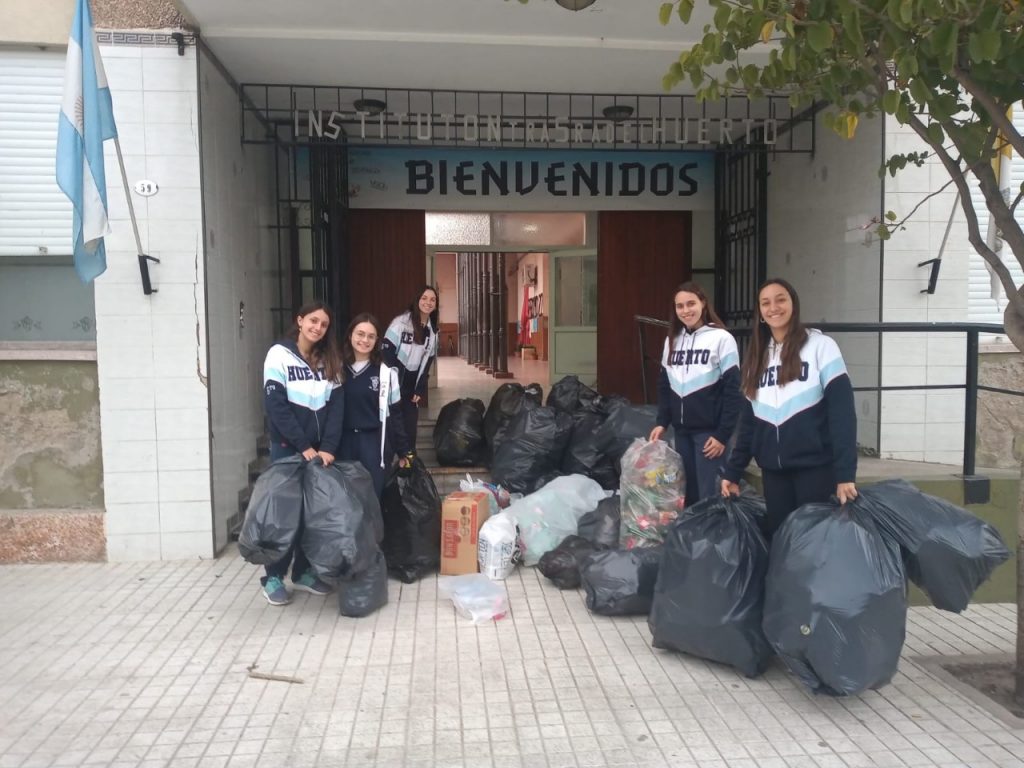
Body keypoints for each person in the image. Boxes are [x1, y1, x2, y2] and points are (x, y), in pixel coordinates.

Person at [720, 278, 858, 537]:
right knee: (782, 545)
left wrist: (845, 473)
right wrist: (733, 471)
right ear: (759, 313)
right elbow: (749, 423)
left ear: (793, 304)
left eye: (780, 299)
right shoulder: (756, 358)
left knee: (815, 547)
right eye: (765, 302)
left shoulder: (821, 346)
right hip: (774, 474)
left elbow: (842, 414)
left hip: (816, 470)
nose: (774, 307)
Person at [261, 301, 345, 606]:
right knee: (283, 516)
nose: (317, 328)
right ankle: (273, 576)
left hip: (319, 455)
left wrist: (328, 449)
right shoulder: (279, 355)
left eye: (323, 324)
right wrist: (304, 446)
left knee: (311, 516)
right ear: (299, 321)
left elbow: (336, 409)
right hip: (287, 451)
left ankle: (303, 572)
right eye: (313, 321)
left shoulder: (329, 361)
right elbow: (276, 407)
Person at [648, 281, 743, 506]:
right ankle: (692, 540)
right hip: (682, 433)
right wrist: (663, 421)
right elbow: (664, 384)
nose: (686, 310)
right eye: (680, 306)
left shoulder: (721, 338)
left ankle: (712, 540)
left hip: (709, 435)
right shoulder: (672, 340)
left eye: (691, 303)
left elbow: (733, 391)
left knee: (710, 498)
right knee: (688, 495)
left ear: (703, 303)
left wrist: (722, 435)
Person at [340, 313, 415, 497]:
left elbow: (396, 415)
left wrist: (405, 451)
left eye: (371, 336)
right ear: (350, 335)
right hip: (342, 443)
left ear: (377, 341)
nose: (364, 340)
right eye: (360, 334)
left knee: (373, 499)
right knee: (344, 502)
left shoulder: (386, 374)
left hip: (373, 444)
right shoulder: (336, 369)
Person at [381, 286, 439, 447]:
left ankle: (408, 467)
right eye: (424, 298)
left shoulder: (432, 331)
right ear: (417, 300)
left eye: (432, 299)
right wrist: (392, 382)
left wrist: (420, 388)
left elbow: (428, 362)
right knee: (393, 427)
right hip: (394, 383)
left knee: (410, 431)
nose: (428, 302)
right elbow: (386, 353)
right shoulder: (401, 323)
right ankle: (389, 465)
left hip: (411, 387)